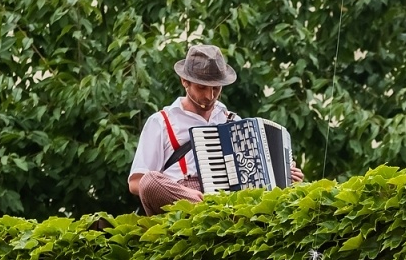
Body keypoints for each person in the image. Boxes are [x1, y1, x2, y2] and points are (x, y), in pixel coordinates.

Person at [128, 44, 300, 214]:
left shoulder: (232, 121)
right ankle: (211, 209)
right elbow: (136, 183)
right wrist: (186, 193)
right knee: (149, 181)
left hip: (228, 197)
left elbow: (254, 176)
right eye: (202, 87)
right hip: (179, 196)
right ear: (184, 81)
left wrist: (285, 174)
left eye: (216, 88)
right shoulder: (161, 121)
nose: (210, 96)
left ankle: (218, 209)